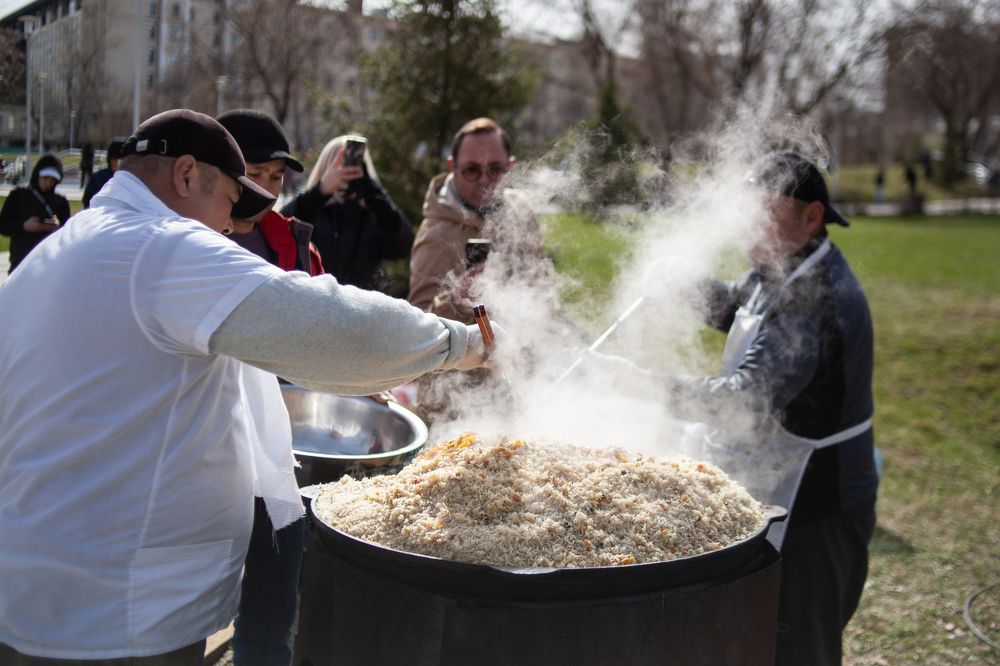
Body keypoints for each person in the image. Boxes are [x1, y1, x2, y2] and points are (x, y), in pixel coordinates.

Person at [0, 109, 496, 664]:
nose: (232, 227)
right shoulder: (161, 248)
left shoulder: (55, 254)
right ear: (187, 174)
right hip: (112, 614)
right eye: (231, 205)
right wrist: (472, 343)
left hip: (35, 590)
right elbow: (336, 329)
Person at [597, 151, 877, 666]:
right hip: (782, 481)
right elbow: (735, 308)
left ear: (811, 216)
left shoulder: (816, 298)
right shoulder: (779, 267)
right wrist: (687, 286)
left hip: (822, 503)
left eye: (762, 209)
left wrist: (639, 384)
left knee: (801, 643)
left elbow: (745, 402)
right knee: (763, 631)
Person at [216, 108, 321, 666]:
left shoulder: (296, 244)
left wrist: (353, 380)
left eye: (277, 178)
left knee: (272, 597)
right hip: (209, 452)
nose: (265, 189)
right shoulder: (196, 244)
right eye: (254, 173)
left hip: (275, 448)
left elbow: (322, 327)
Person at [408, 117, 545, 325]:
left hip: (527, 350)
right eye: (472, 170)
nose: (484, 180)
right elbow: (415, 324)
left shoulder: (521, 211)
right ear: (453, 166)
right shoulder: (435, 234)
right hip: (472, 357)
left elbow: (543, 292)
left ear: (510, 166)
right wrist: (455, 302)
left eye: (495, 169)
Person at [280, 135, 413, 293]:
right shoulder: (310, 208)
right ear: (326, 167)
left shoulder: (374, 213)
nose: (346, 171)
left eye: (354, 164)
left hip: (365, 309)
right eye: (339, 164)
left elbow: (402, 247)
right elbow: (282, 229)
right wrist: (320, 192)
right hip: (316, 302)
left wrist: (375, 198)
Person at [0, 153, 71, 273]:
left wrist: (57, 228)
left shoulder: (61, 201)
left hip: (49, 262)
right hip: (20, 261)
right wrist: (23, 226)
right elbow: (3, 226)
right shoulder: (18, 195)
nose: (48, 183)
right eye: (45, 178)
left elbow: (69, 233)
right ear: (37, 175)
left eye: (52, 180)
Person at [82, 137, 127, 208]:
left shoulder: (131, 179)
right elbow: (87, 201)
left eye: (122, 159)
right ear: (110, 159)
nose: (119, 162)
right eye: (116, 159)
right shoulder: (98, 178)